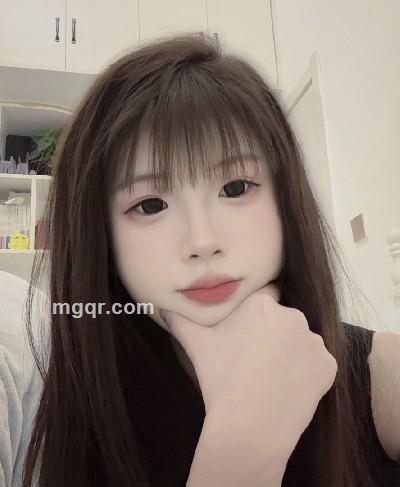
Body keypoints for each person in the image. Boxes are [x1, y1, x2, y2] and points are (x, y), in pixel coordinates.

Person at [1, 32, 398, 486]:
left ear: (287, 204)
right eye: (150, 205)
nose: (203, 241)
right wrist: (246, 443)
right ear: (103, 244)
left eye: (236, 188)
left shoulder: (380, 375)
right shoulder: (74, 412)